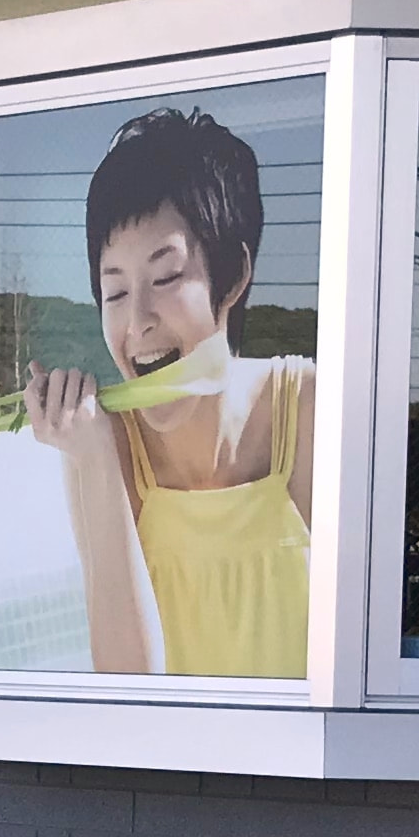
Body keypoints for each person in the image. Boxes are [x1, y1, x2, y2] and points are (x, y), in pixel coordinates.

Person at [24, 106, 315, 677]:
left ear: (233, 277)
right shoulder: (100, 443)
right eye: (114, 293)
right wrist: (97, 461)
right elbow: (126, 686)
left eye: (166, 278)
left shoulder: (304, 408)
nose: (138, 321)